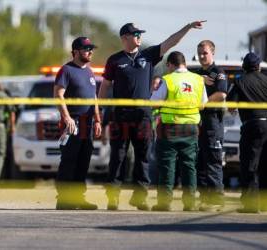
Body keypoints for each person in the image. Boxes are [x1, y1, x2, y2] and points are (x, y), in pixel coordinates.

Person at [98, 20, 206, 210]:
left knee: (143, 156)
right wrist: (99, 110)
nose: (140, 37)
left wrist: (187, 27)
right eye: (136, 34)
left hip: (143, 117)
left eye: (140, 34)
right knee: (118, 157)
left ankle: (140, 197)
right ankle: (113, 197)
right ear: (125, 38)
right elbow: (106, 85)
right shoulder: (114, 60)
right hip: (120, 116)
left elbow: (171, 42)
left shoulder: (147, 56)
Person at [151, 51, 207, 211]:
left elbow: (154, 102)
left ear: (170, 64)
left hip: (170, 128)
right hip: (191, 128)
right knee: (189, 165)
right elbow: (203, 104)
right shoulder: (197, 80)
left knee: (167, 165)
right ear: (184, 63)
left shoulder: (168, 80)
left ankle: (164, 203)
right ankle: (189, 204)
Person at [54, 36, 102, 210]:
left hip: (87, 125)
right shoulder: (66, 70)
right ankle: (64, 199)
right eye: (86, 49)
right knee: (69, 161)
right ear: (75, 51)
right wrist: (66, 118)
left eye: (91, 49)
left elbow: (94, 98)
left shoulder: (89, 72)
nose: (90, 52)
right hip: (72, 125)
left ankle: (78, 198)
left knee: (83, 162)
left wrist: (97, 119)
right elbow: (58, 95)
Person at [227, 52, 267, 213]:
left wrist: (234, 110)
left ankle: (251, 205)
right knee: (265, 164)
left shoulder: (240, 81)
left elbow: (231, 105)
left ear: (244, 66)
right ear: (258, 66)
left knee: (250, 165)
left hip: (252, 126)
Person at [196, 40, 228, 211]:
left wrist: (204, 103)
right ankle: (204, 198)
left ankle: (216, 200)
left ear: (212, 53)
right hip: (198, 124)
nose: (202, 56)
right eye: (200, 53)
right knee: (200, 163)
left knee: (213, 162)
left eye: (205, 53)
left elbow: (222, 94)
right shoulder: (198, 74)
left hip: (213, 124)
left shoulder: (218, 73)